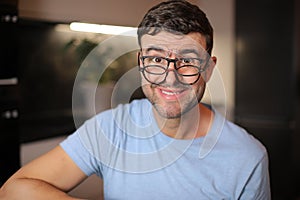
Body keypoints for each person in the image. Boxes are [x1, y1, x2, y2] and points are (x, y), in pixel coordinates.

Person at [0, 0, 271, 199]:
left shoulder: (247, 158)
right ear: (141, 64)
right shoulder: (110, 129)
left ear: (208, 69)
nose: (170, 76)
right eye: (156, 59)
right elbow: (13, 189)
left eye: (187, 61)